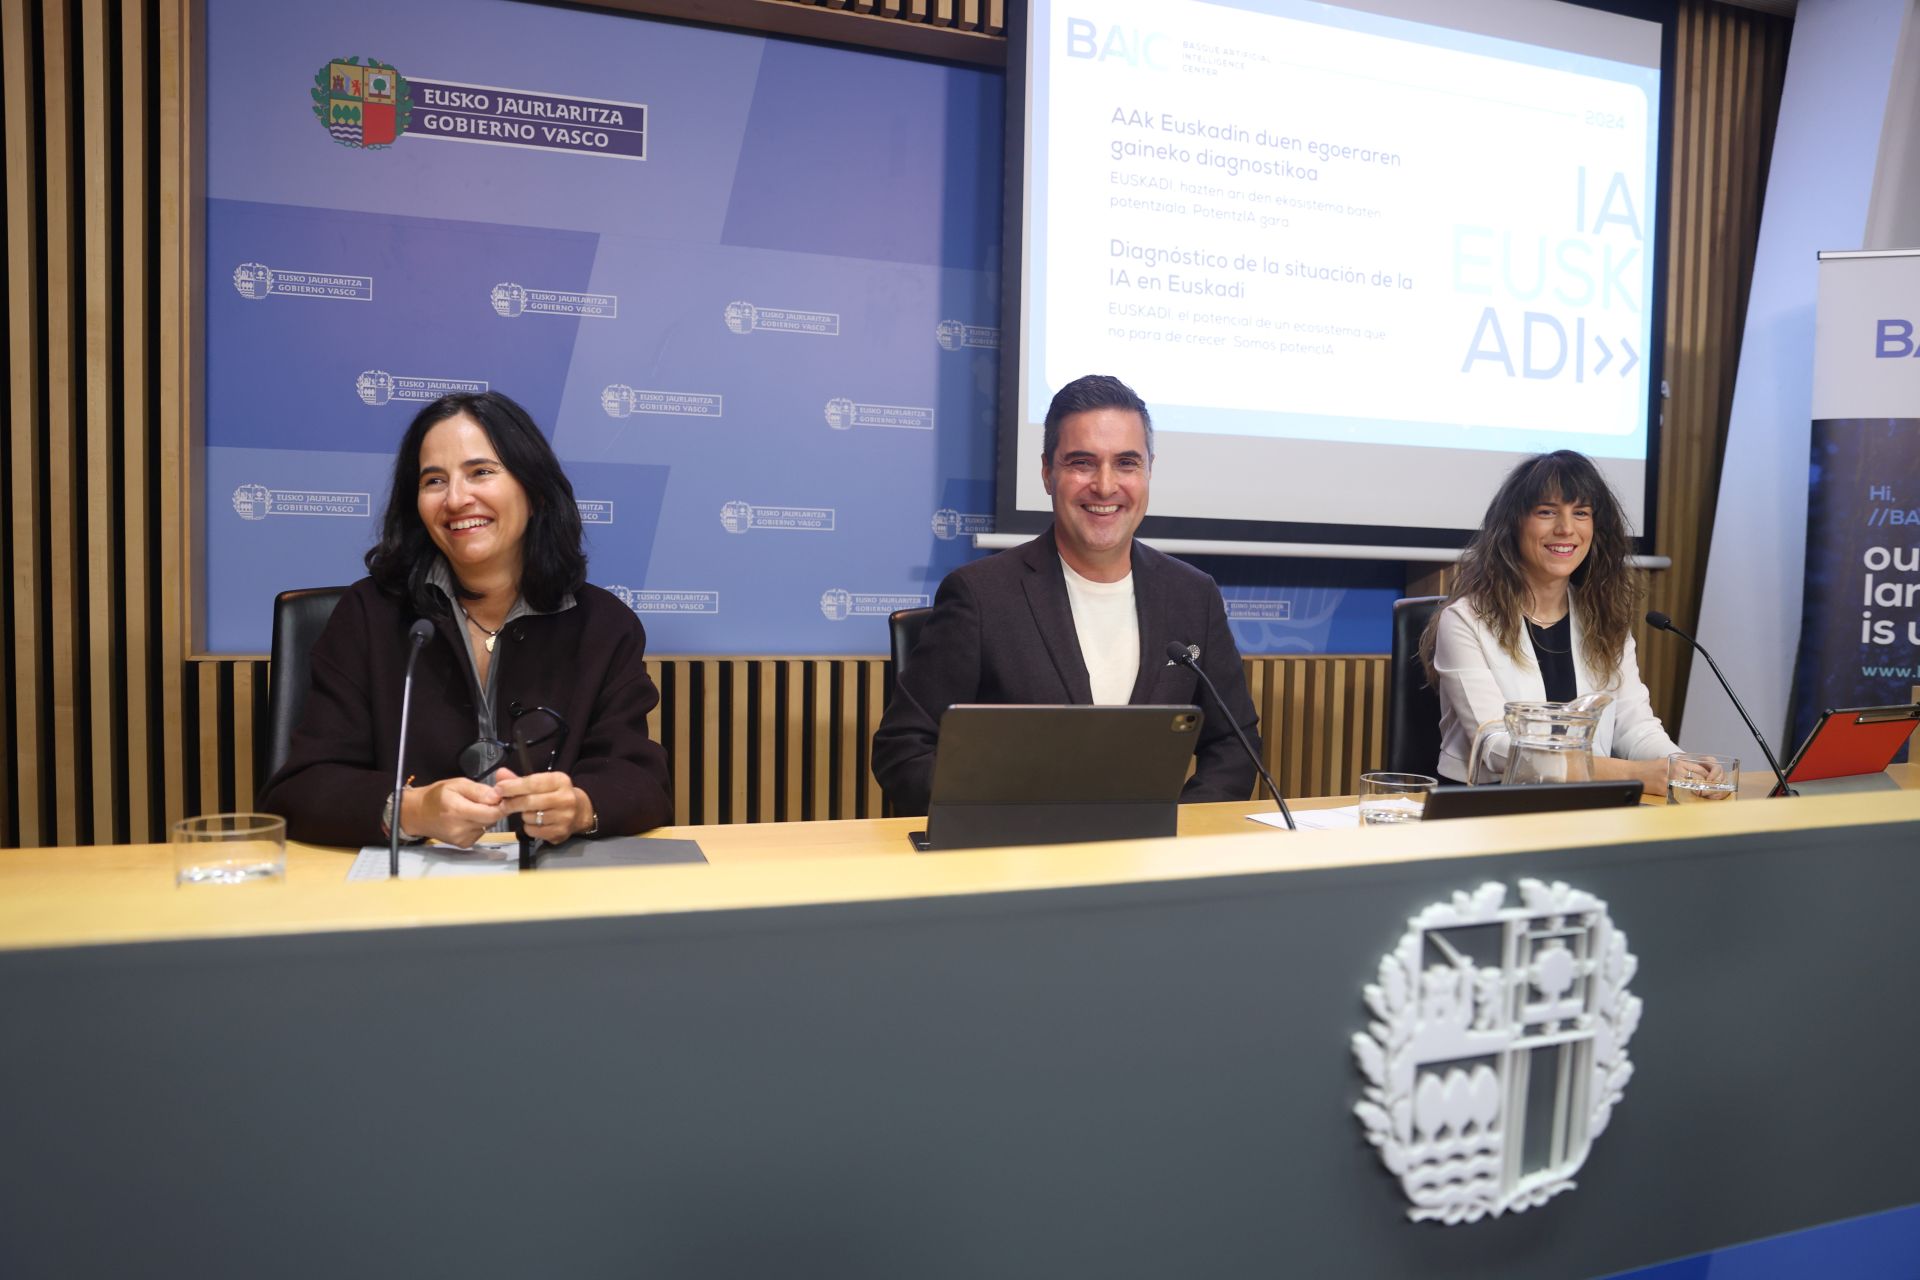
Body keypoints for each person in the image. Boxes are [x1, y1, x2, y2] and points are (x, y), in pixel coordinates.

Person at [258, 391, 672, 847]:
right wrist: (410, 810)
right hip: (408, 901)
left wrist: (581, 806)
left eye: (481, 473)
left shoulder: (603, 626)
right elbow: (299, 790)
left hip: (551, 892)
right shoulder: (368, 616)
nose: (456, 499)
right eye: (434, 481)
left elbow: (641, 781)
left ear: (533, 492)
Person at [872, 374, 1260, 815]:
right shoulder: (980, 596)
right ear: (1046, 473)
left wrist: (1170, 830)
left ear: (1149, 470)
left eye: (1127, 463)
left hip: (1153, 870)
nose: (1105, 485)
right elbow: (904, 750)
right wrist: (1012, 826)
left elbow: (1234, 746)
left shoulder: (1193, 595)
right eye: (1082, 463)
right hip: (1018, 866)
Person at [1421, 449, 1697, 790]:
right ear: (1513, 524)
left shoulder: (1605, 619)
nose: (1566, 528)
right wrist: (1630, 774)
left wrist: (1682, 766)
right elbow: (1496, 746)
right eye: (1547, 512)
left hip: (1586, 804)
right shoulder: (1464, 620)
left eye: (1580, 513)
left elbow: (1634, 726)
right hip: (1488, 808)